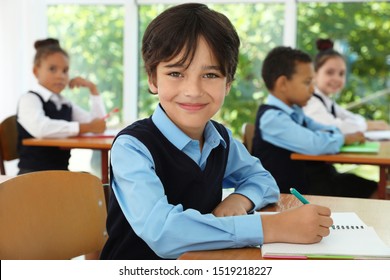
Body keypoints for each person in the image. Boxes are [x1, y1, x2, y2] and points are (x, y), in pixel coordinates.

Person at [100, 3, 333, 260]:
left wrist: (240, 199)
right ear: (153, 79)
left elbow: (264, 181)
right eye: (176, 73)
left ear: (228, 83)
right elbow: (164, 233)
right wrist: (272, 227)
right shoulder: (132, 147)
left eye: (210, 75)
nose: (193, 90)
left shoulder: (219, 139)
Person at [252, 46, 377, 198]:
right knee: (373, 190)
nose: (312, 89)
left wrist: (336, 135)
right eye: (307, 82)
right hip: (292, 194)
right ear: (283, 84)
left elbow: (324, 129)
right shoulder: (272, 118)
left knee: (371, 186)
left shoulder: (296, 112)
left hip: (315, 181)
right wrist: (344, 138)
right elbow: (315, 144)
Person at [17, 38, 106, 174]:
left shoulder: (64, 103)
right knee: (90, 183)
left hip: (60, 173)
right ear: (36, 71)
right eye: (52, 69)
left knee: (92, 181)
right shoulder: (29, 99)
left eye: (65, 70)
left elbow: (97, 125)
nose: (60, 76)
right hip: (32, 176)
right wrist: (86, 127)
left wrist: (93, 89)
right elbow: (42, 128)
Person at [303, 38, 389, 134]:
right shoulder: (310, 101)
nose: (337, 78)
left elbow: (349, 116)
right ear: (314, 74)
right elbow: (331, 127)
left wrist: (371, 124)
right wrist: (368, 125)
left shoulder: (326, 101)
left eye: (341, 74)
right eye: (330, 72)